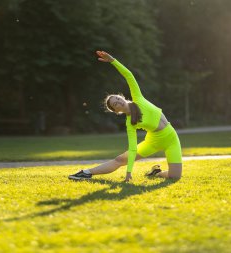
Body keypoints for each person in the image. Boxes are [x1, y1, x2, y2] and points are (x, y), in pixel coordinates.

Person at [69, 51, 182, 182]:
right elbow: (133, 149)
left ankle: (156, 173)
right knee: (120, 159)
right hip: (153, 141)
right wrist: (128, 172)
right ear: (116, 111)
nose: (118, 101)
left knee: (175, 177)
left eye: (117, 98)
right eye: (115, 104)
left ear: (122, 97)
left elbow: (129, 75)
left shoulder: (138, 98)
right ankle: (86, 173)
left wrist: (113, 61)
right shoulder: (130, 123)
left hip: (171, 138)